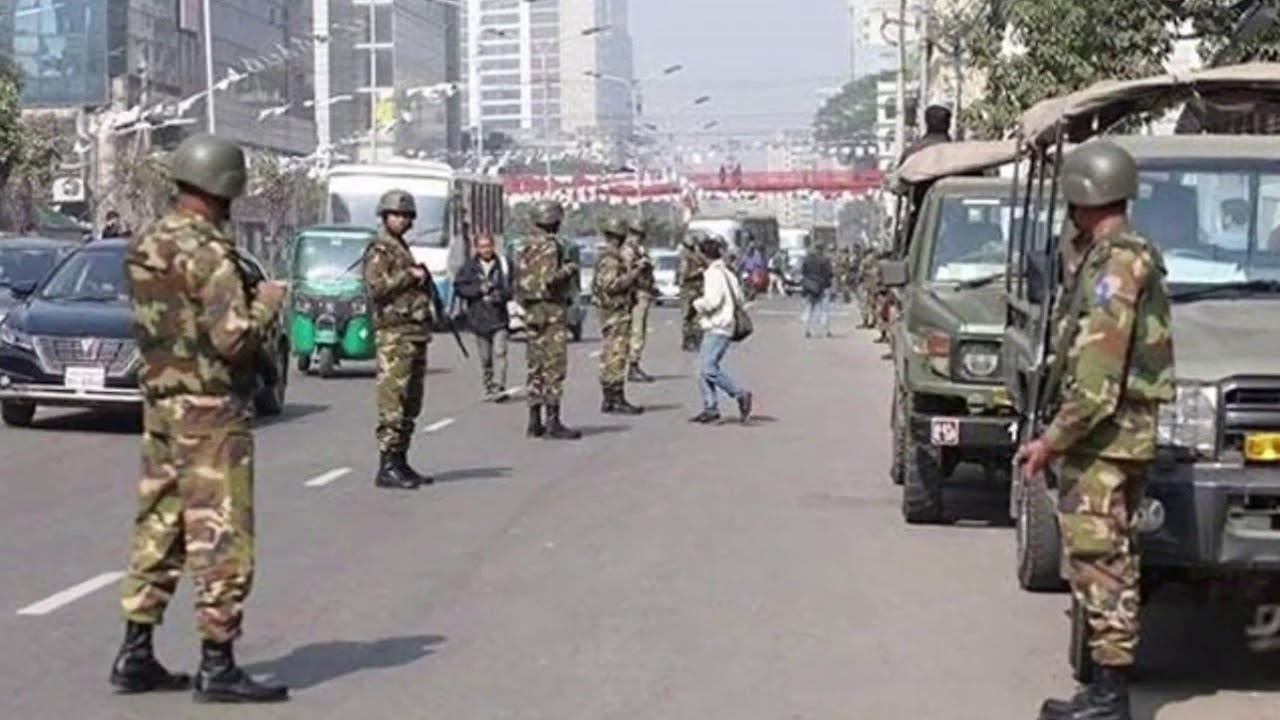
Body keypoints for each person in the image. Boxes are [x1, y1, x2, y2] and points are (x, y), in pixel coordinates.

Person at [115, 132, 289, 703]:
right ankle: (218, 663)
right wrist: (266, 302)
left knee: (159, 525)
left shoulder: (148, 242)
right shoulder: (209, 254)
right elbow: (233, 339)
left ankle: (135, 650)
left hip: (161, 405)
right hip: (211, 412)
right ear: (226, 186)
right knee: (220, 533)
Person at [1014, 141, 1175, 720]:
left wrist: (1050, 441)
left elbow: (1096, 379)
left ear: (1082, 195)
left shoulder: (1115, 265)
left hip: (1104, 439)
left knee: (1101, 561)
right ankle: (1107, 690)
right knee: (1112, 559)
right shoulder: (1120, 255)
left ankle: (1111, 698)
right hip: (1119, 435)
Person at [362, 189, 436, 490]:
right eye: (396, 214)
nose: (402, 220)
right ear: (384, 216)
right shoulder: (380, 249)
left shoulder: (400, 247)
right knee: (393, 401)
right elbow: (376, 288)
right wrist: (410, 276)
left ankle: (401, 460)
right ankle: (387, 465)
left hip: (413, 331)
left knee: (411, 402)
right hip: (394, 334)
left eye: (406, 215)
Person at [513, 200, 581, 440]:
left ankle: (534, 421)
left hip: (532, 310)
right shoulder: (553, 246)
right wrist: (570, 269)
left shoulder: (522, 246)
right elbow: (550, 280)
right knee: (554, 366)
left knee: (535, 366)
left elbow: (518, 281)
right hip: (551, 310)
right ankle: (553, 422)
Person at [690, 236, 753, 424]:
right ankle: (710, 407)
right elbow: (740, 298)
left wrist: (697, 304)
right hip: (726, 324)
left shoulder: (713, 274)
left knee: (708, 368)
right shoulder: (728, 273)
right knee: (702, 368)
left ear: (703, 254)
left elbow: (713, 301)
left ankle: (740, 394)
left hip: (718, 325)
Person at [592, 216, 645, 415]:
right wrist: (635, 273)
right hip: (615, 312)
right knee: (617, 354)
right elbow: (612, 285)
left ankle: (609, 398)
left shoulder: (607, 256)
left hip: (612, 311)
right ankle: (615, 398)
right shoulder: (611, 258)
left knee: (610, 354)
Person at [453, 233, 512, 402]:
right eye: (482, 247)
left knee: (500, 352)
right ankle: (488, 385)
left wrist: (499, 295)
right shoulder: (469, 268)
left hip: (499, 317)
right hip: (479, 318)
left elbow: (513, 287)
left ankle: (499, 386)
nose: (486, 250)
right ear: (477, 248)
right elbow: (460, 288)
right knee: (486, 358)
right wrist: (478, 290)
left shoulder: (504, 265)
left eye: (488, 246)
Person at [621, 219, 656, 383]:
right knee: (637, 331)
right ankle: (632, 365)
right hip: (635, 293)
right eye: (635, 234)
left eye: (640, 235)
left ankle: (633, 363)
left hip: (642, 292)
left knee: (638, 330)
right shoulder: (628, 251)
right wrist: (639, 265)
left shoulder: (638, 250)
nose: (638, 238)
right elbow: (627, 273)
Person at [677, 233, 708, 352]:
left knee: (696, 317)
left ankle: (694, 339)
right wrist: (698, 272)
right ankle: (688, 340)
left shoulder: (695, 256)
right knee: (688, 317)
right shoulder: (686, 258)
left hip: (696, 290)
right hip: (688, 290)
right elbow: (684, 276)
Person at [800, 242, 834, 338]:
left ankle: (807, 329)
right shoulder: (825, 260)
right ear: (822, 249)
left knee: (809, 308)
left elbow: (803, 272)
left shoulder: (807, 259)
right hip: (823, 286)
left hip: (810, 286)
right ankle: (826, 330)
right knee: (825, 309)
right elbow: (829, 274)